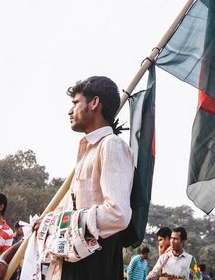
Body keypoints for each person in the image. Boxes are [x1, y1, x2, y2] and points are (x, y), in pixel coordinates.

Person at [60, 76, 134, 279]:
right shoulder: (86, 151)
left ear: (94, 103)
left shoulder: (111, 145)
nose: (70, 110)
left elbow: (118, 214)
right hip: (76, 254)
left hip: (97, 259)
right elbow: (71, 207)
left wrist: (66, 223)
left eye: (76, 103)